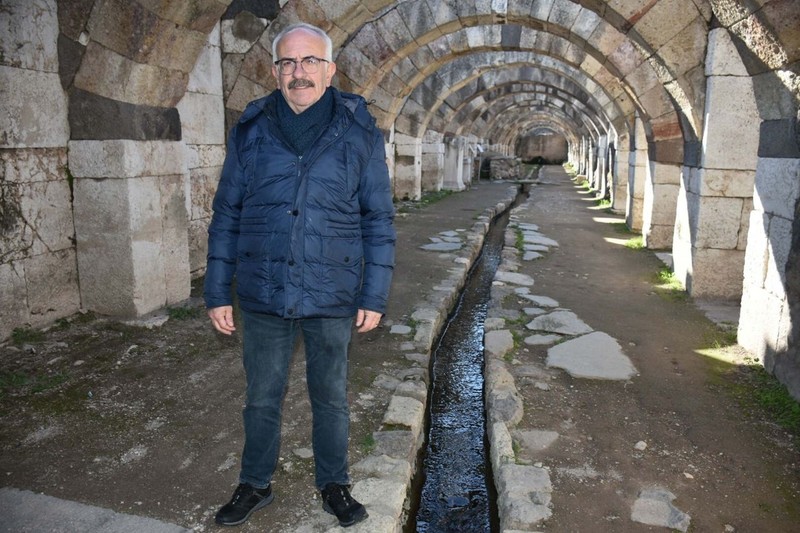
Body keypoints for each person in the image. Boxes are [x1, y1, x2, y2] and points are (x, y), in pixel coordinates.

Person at [203, 22, 395, 528]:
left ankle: (334, 483)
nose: (299, 72)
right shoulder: (251, 129)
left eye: (310, 61)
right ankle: (254, 483)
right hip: (264, 290)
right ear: (274, 71)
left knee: (330, 396)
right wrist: (217, 290)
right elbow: (227, 214)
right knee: (262, 395)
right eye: (288, 62)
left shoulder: (359, 133)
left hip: (333, 290)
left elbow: (378, 217)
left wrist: (374, 294)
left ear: (330, 70)